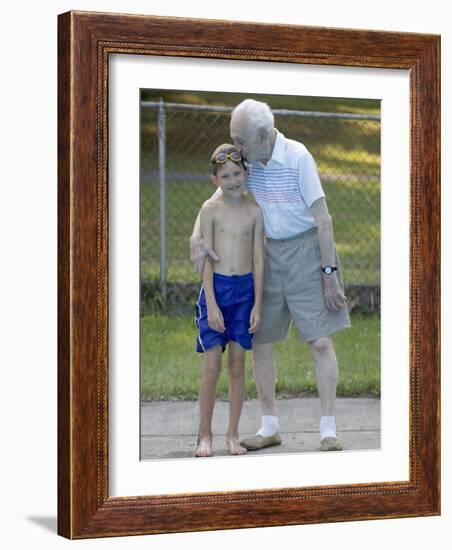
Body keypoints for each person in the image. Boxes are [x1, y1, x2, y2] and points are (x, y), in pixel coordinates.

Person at [190, 99, 351, 452]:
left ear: (263, 135)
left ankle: (328, 428)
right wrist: (195, 237)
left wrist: (329, 273)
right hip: (266, 256)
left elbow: (324, 220)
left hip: (308, 252)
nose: (237, 147)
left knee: (321, 341)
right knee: (259, 339)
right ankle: (269, 427)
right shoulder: (248, 160)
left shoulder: (298, 158)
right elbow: (216, 196)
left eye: (241, 140)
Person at [194, 143, 264, 457]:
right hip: (216, 290)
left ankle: (232, 434)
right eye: (226, 175)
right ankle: (204, 435)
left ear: (245, 173)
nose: (233, 180)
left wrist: (258, 305)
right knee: (212, 366)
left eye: (237, 173)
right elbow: (206, 258)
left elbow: (259, 261)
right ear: (215, 180)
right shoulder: (210, 210)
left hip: (245, 293)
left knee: (237, 366)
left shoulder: (254, 212)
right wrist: (210, 302)